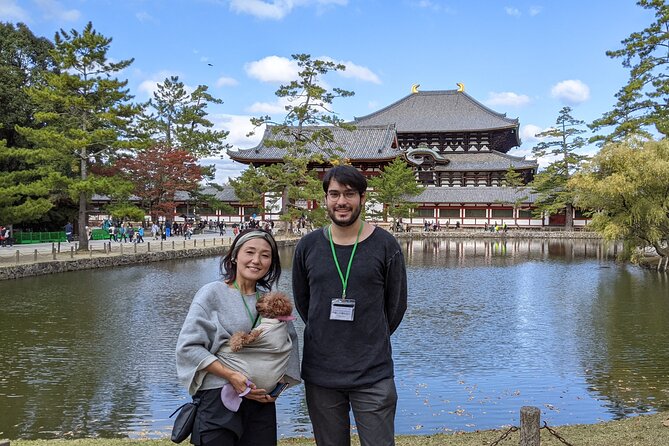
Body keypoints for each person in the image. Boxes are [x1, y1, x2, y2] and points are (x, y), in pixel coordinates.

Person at [292, 165, 408, 446]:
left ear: (362, 198)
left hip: (372, 372)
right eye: (334, 194)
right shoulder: (308, 246)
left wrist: (369, 335)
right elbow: (304, 303)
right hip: (322, 373)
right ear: (325, 200)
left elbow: (396, 306)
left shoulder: (385, 245)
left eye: (349, 194)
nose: (341, 201)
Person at [176, 228, 300, 446]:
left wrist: (276, 388)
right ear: (234, 256)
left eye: (265, 255)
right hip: (218, 397)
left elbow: (288, 345)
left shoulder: (271, 300)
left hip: (261, 401)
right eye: (249, 252)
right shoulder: (212, 294)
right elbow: (189, 348)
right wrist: (232, 376)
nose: (256, 260)